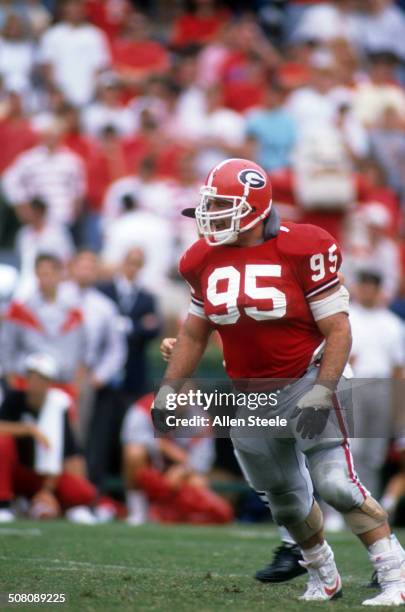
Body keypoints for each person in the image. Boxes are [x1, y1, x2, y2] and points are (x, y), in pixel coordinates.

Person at [152, 157, 405, 605]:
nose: (210, 215)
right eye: (209, 205)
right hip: (248, 392)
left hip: (308, 376)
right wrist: (170, 389)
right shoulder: (199, 258)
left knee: (336, 485)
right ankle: (322, 574)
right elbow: (194, 331)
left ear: (254, 206)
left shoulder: (303, 246)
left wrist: (323, 391)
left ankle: (394, 574)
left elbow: (340, 330)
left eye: (222, 205)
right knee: (284, 499)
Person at [0, 353, 99, 524]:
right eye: (31, 376)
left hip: (43, 476)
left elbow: (67, 453)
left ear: (50, 382)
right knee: (3, 442)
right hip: (16, 471)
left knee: (83, 492)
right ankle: (4, 503)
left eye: (41, 378)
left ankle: (44, 504)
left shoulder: (58, 406)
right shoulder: (14, 399)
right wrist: (30, 430)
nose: (35, 382)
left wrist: (47, 490)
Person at [121, 392, 232, 525]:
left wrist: (182, 470)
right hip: (151, 470)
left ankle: (173, 516)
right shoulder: (142, 409)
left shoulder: (200, 418)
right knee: (134, 453)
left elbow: (203, 462)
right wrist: (165, 447)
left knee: (199, 483)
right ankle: (138, 513)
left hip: (180, 476)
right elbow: (131, 440)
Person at [67, 249, 127, 485]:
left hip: (85, 377)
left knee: (79, 436)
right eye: (82, 265)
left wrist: (99, 377)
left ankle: (76, 491)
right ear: (71, 267)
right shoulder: (56, 296)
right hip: (51, 375)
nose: (86, 271)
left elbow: (116, 349)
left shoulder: (104, 306)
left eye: (92, 266)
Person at [1, 253, 86, 391]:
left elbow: (81, 349)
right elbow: (6, 345)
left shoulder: (73, 312)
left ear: (60, 274)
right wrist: (10, 377)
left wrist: (76, 381)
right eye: (41, 274)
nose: (45, 279)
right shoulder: (21, 310)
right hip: (27, 383)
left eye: (48, 273)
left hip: (62, 383)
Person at [99, 247, 161, 403]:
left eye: (137, 264)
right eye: (130, 262)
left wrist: (128, 326)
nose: (133, 267)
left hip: (134, 371)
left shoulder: (147, 298)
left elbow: (153, 329)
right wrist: (137, 325)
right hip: (104, 370)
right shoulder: (104, 290)